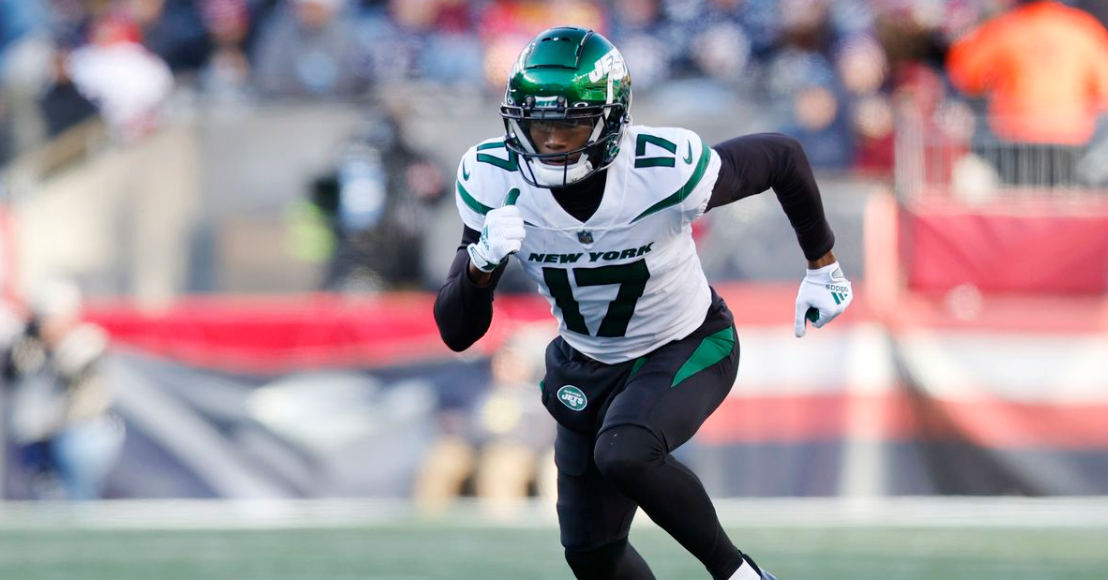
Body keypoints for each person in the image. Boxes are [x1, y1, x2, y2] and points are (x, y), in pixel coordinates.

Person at [433, 27, 853, 580]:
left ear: (611, 123)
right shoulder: (493, 176)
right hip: (585, 360)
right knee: (590, 552)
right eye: (539, 126)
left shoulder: (660, 168)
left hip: (686, 343)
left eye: (570, 125)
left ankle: (742, 575)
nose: (552, 143)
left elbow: (781, 156)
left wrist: (823, 264)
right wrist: (480, 264)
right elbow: (457, 330)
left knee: (625, 451)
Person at [946, 0, 1108, 187]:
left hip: (1014, 142)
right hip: (1070, 142)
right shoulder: (1082, 29)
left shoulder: (1006, 28)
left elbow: (964, 73)